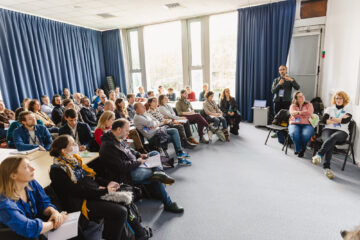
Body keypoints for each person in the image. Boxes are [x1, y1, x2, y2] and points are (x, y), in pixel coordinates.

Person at [49, 135, 142, 240]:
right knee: (121, 211)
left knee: (124, 202)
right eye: (73, 144)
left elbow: (90, 178)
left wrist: (107, 183)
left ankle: (131, 235)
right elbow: (77, 191)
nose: (76, 145)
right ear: (63, 151)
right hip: (81, 202)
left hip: (92, 192)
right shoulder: (57, 170)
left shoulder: (73, 160)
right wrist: (103, 192)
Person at [100, 119, 184, 213]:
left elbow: (130, 150)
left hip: (134, 164)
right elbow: (122, 167)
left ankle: (158, 172)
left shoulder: (116, 139)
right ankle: (168, 203)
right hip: (127, 174)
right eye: (127, 130)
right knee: (154, 174)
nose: (128, 132)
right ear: (119, 129)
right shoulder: (108, 146)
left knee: (154, 153)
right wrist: (139, 162)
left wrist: (139, 155)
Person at [0, 156, 68, 239]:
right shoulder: (3, 202)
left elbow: (43, 203)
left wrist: (54, 212)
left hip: (37, 228)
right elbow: (27, 228)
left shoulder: (31, 182)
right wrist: (55, 223)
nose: (33, 169)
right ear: (13, 175)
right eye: (26, 167)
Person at [312, 91, 352, 179]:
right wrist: (339, 119)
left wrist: (331, 118)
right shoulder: (329, 109)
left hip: (342, 131)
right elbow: (323, 120)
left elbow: (345, 121)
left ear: (344, 99)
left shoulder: (348, 109)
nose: (338, 100)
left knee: (333, 137)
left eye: (340, 98)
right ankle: (327, 168)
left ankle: (319, 155)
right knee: (329, 141)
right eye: (336, 98)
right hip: (328, 129)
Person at [288, 91, 314, 158]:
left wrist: (298, 112)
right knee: (294, 133)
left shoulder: (309, 104)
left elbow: (309, 113)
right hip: (294, 123)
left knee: (305, 135)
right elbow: (292, 113)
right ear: (296, 98)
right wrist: (304, 114)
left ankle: (302, 148)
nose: (302, 97)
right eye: (300, 96)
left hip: (307, 124)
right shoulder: (293, 105)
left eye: (302, 95)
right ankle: (299, 149)